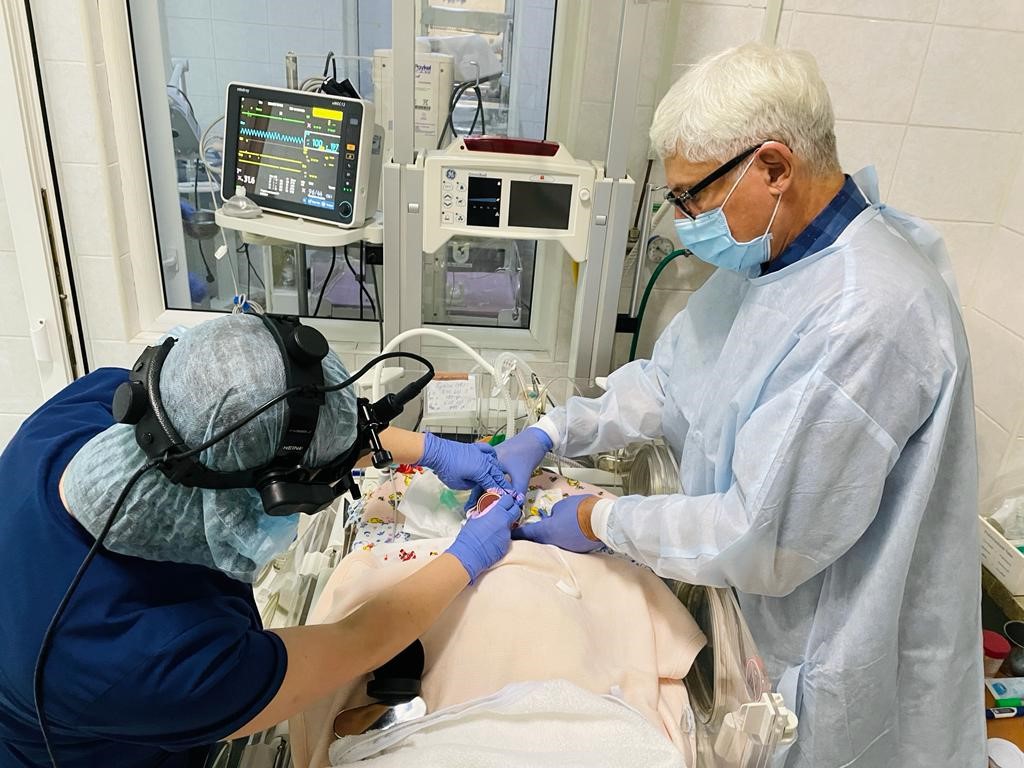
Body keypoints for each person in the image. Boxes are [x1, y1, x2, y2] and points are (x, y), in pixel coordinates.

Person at [491, 43, 984, 767]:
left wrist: (600, 517)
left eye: (694, 195)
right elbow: (671, 379)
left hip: (827, 647)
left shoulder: (866, 314)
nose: (686, 218)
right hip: (758, 615)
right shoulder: (775, 258)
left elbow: (762, 536)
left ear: (775, 167)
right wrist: (555, 429)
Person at [0, 312, 522, 767]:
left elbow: (260, 423)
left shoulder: (94, 412)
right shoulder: (151, 661)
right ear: (264, 500)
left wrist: (430, 449)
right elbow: (357, 642)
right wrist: (467, 555)